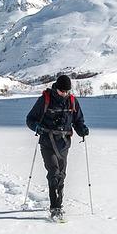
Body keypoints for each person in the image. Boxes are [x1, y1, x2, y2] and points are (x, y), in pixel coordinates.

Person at [25, 74, 89, 221]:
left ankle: (58, 203)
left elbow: (78, 120)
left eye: (67, 91)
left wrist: (82, 130)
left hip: (64, 144)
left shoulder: (72, 101)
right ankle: (56, 208)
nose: (64, 94)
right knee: (54, 173)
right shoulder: (45, 99)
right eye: (62, 91)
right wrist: (37, 127)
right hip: (47, 142)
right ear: (56, 88)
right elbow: (30, 119)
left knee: (61, 174)